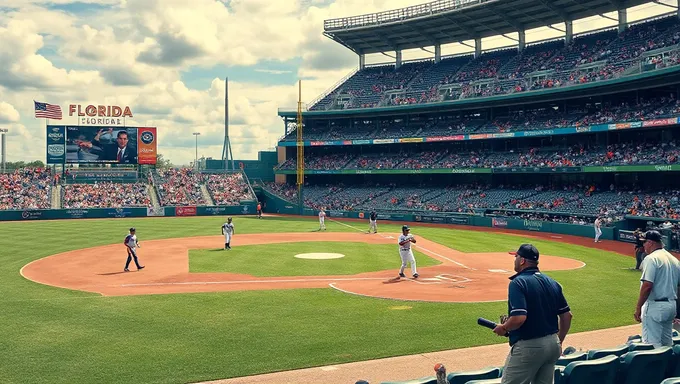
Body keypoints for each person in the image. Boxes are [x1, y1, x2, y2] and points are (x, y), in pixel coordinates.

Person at [492, 244, 572, 384]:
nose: (515, 260)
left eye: (516, 257)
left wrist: (504, 327)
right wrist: (559, 342)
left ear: (522, 261)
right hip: (553, 344)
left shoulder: (518, 282)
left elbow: (519, 318)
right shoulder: (553, 283)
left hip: (530, 347)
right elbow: (567, 316)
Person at [634, 230, 680, 348]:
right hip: (671, 306)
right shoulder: (674, 259)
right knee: (667, 344)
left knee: (652, 346)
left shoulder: (651, 258)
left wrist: (639, 307)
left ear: (650, 242)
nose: (643, 245)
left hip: (655, 307)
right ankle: (668, 367)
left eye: (644, 242)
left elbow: (647, 285)